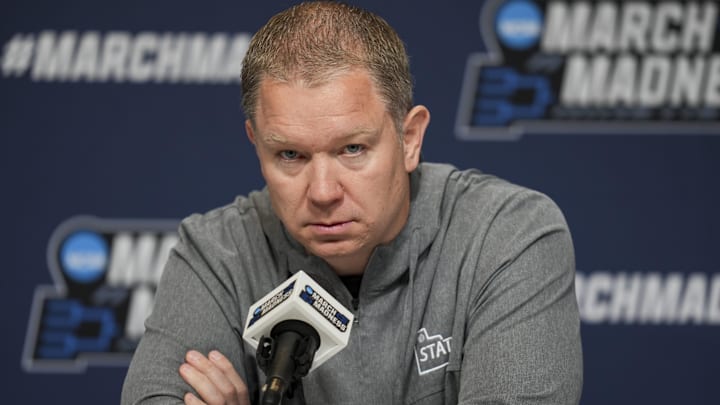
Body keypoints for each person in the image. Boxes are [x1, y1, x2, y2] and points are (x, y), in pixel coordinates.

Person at [121, 2, 583, 404]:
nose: (323, 192)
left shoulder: (508, 234)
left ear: (409, 138)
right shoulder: (216, 252)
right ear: (256, 144)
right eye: (290, 155)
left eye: (352, 150)